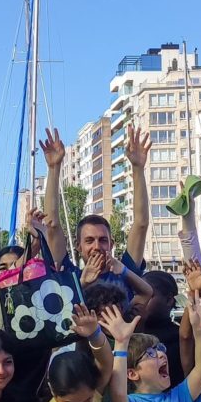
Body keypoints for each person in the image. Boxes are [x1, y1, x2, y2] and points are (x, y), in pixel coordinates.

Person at [39, 127, 153, 304]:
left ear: (112, 244)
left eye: (103, 240)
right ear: (78, 247)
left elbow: (141, 224)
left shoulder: (124, 273)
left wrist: (137, 168)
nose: (97, 246)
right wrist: (54, 168)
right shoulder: (71, 276)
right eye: (89, 240)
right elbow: (52, 226)